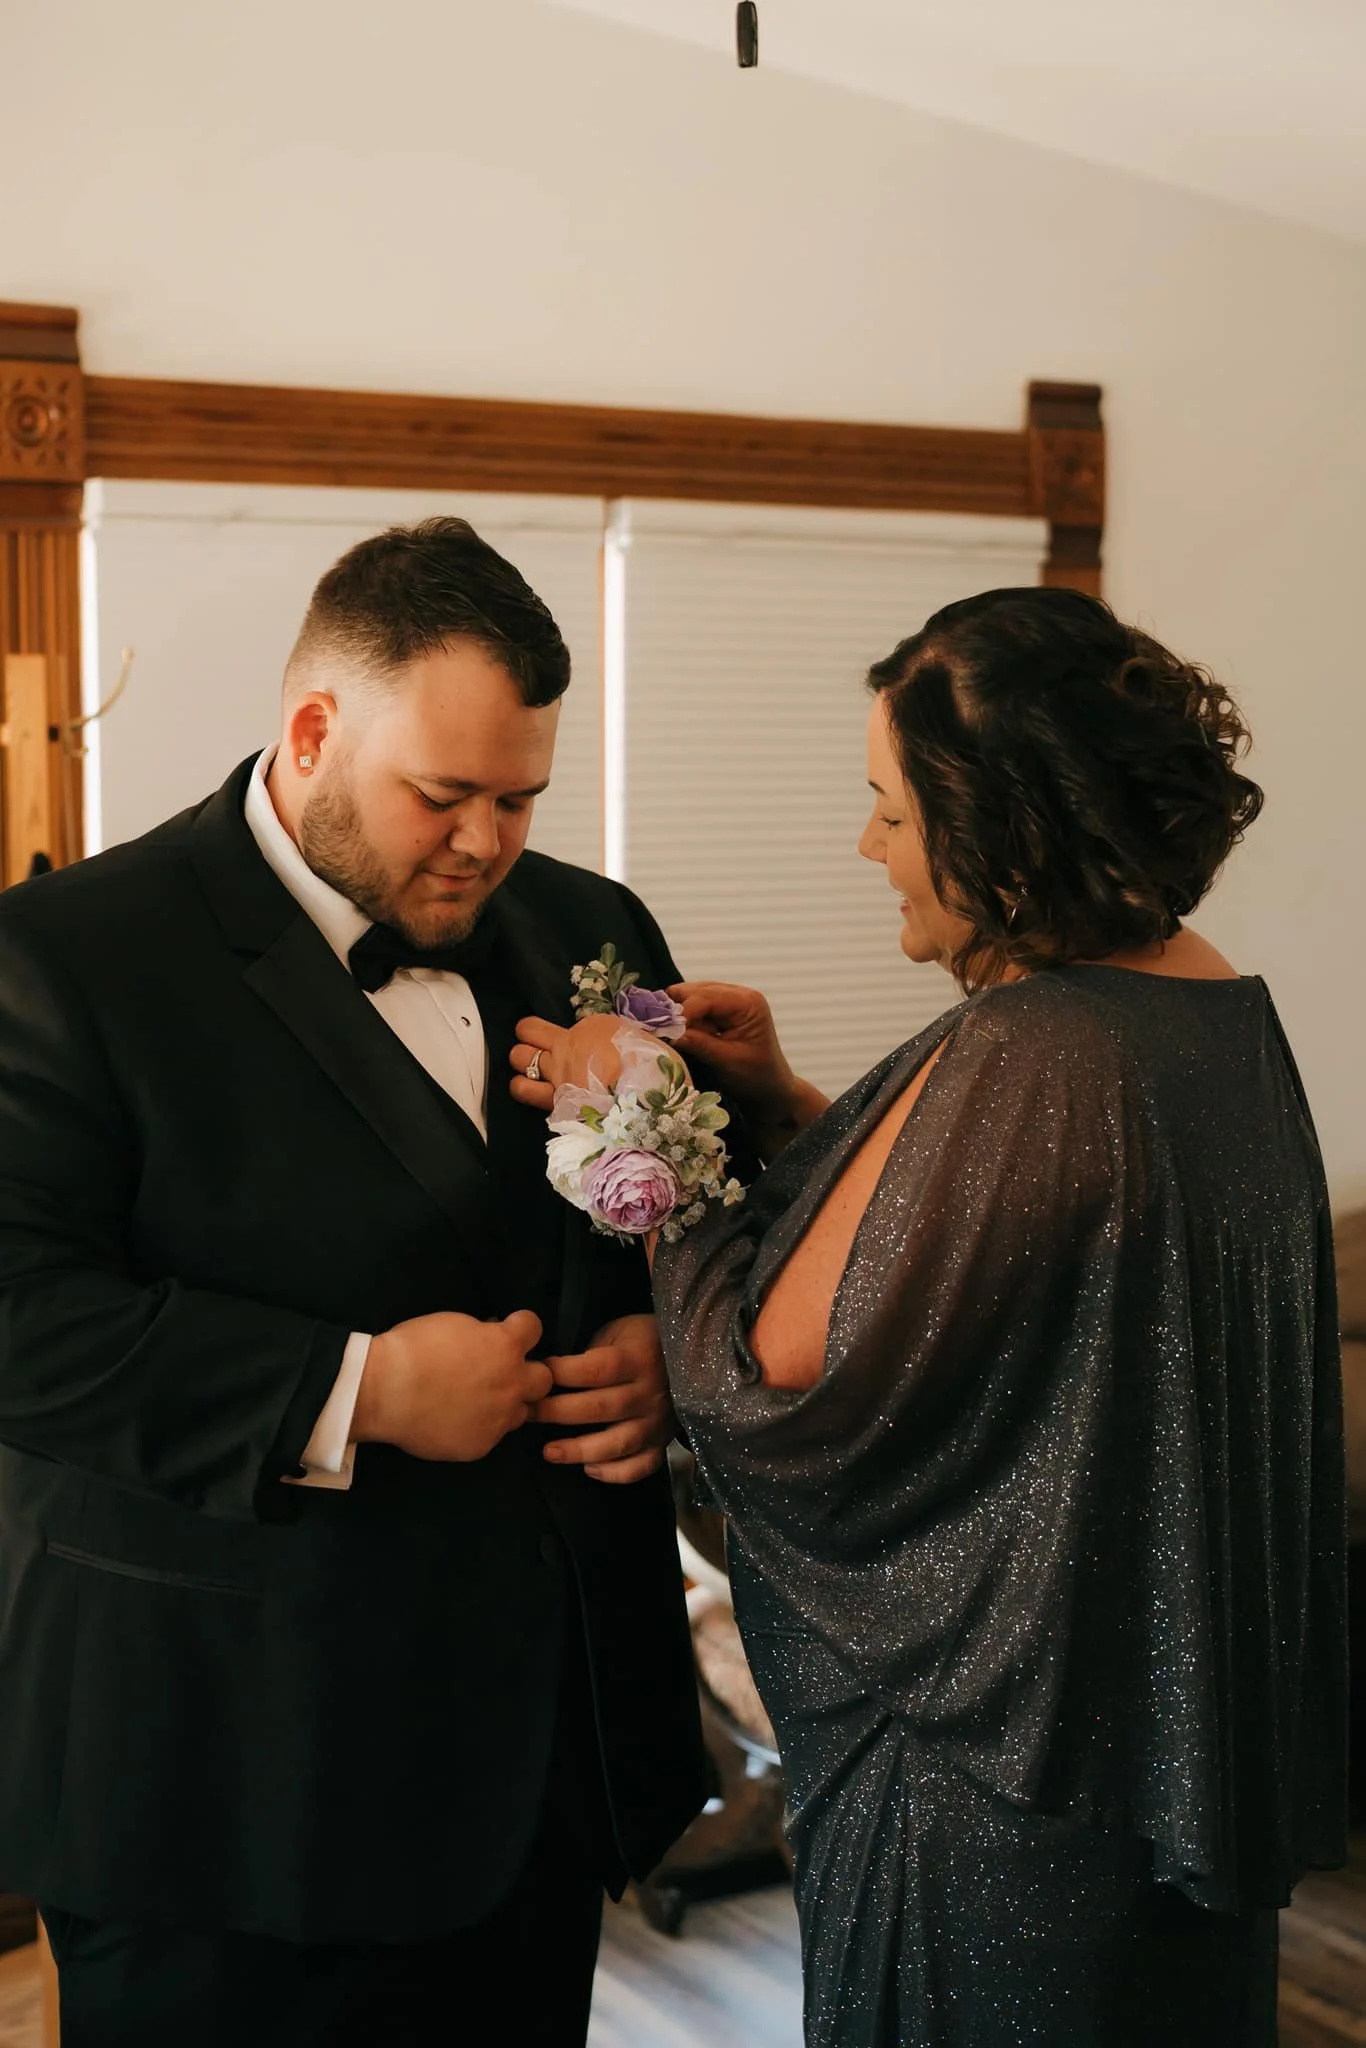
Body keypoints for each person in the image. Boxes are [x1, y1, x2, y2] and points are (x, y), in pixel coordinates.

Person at [514, 587, 1348, 2047]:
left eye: (890, 813)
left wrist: (635, 1130)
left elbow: (773, 1384)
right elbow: (989, 1248)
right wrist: (776, 1107)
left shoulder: (1037, 1047)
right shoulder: (1209, 1010)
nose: (867, 848)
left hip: (1003, 1793)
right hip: (1141, 1764)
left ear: (999, 830)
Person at [0, 517, 708, 2047]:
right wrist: (358, 1390)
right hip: (223, 1783)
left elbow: (679, 1222)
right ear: (312, 730)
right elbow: (18, 1321)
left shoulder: (603, 933)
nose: (487, 843)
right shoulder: (61, 957)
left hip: (538, 1763)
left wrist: (667, 1342)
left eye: (520, 797)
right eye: (441, 795)